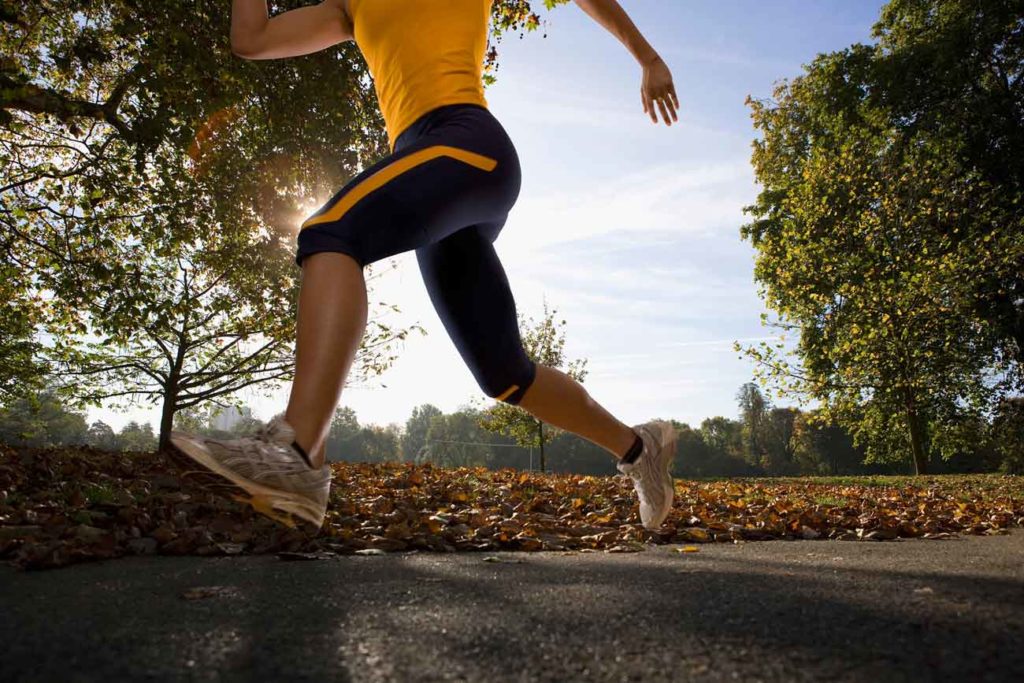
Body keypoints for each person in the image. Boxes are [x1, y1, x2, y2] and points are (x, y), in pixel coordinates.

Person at [171, 0, 681, 531]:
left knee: (330, 232)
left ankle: (297, 454)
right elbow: (250, 38)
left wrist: (646, 56)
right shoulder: (352, 7)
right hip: (424, 162)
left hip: (468, 143)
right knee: (504, 375)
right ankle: (638, 448)